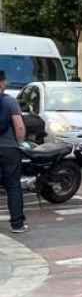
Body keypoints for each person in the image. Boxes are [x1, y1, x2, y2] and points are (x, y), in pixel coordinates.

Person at [0, 71, 27, 233]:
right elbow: (19, 126)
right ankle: (17, 224)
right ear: (2, 83)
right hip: (9, 149)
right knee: (13, 186)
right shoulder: (10, 102)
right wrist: (20, 143)